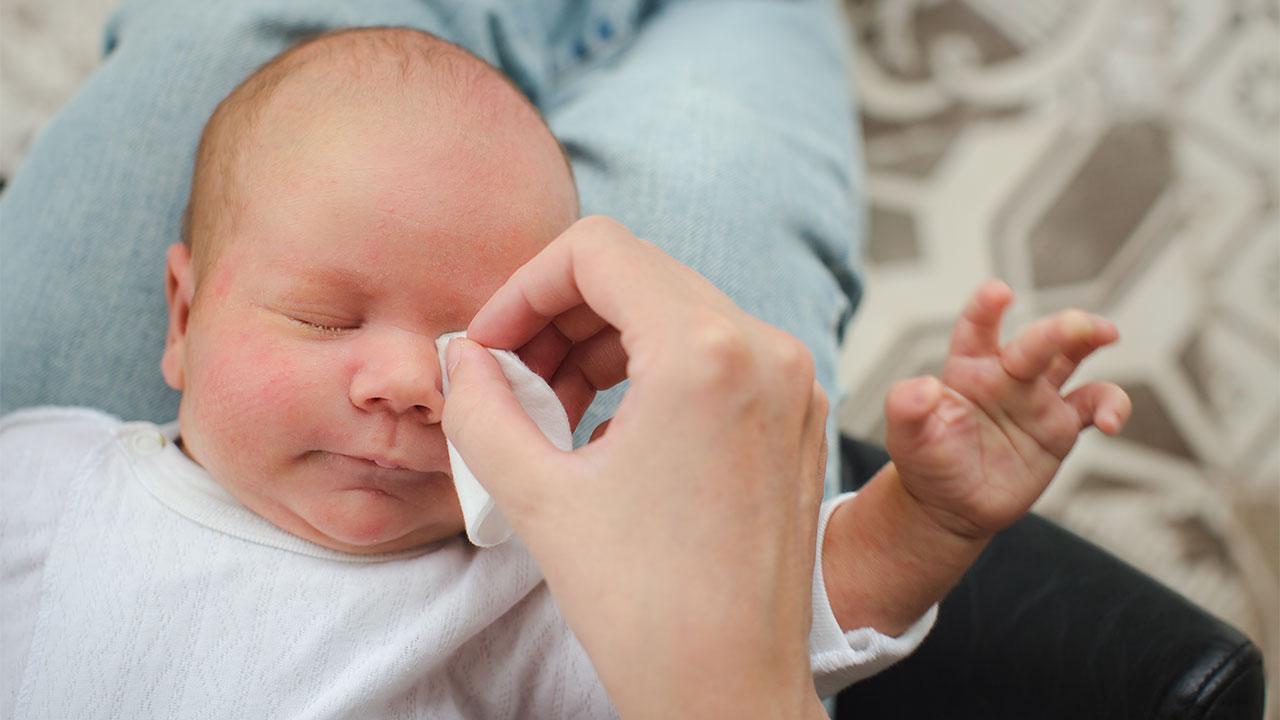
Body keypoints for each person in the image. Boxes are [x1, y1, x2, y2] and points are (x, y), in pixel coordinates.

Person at [0, 27, 1130, 718]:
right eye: (322, 317)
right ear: (183, 315)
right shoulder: (50, 476)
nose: (406, 382)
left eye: (474, 345)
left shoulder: (509, 585)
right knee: (724, 125)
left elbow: (756, 621)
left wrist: (920, 521)